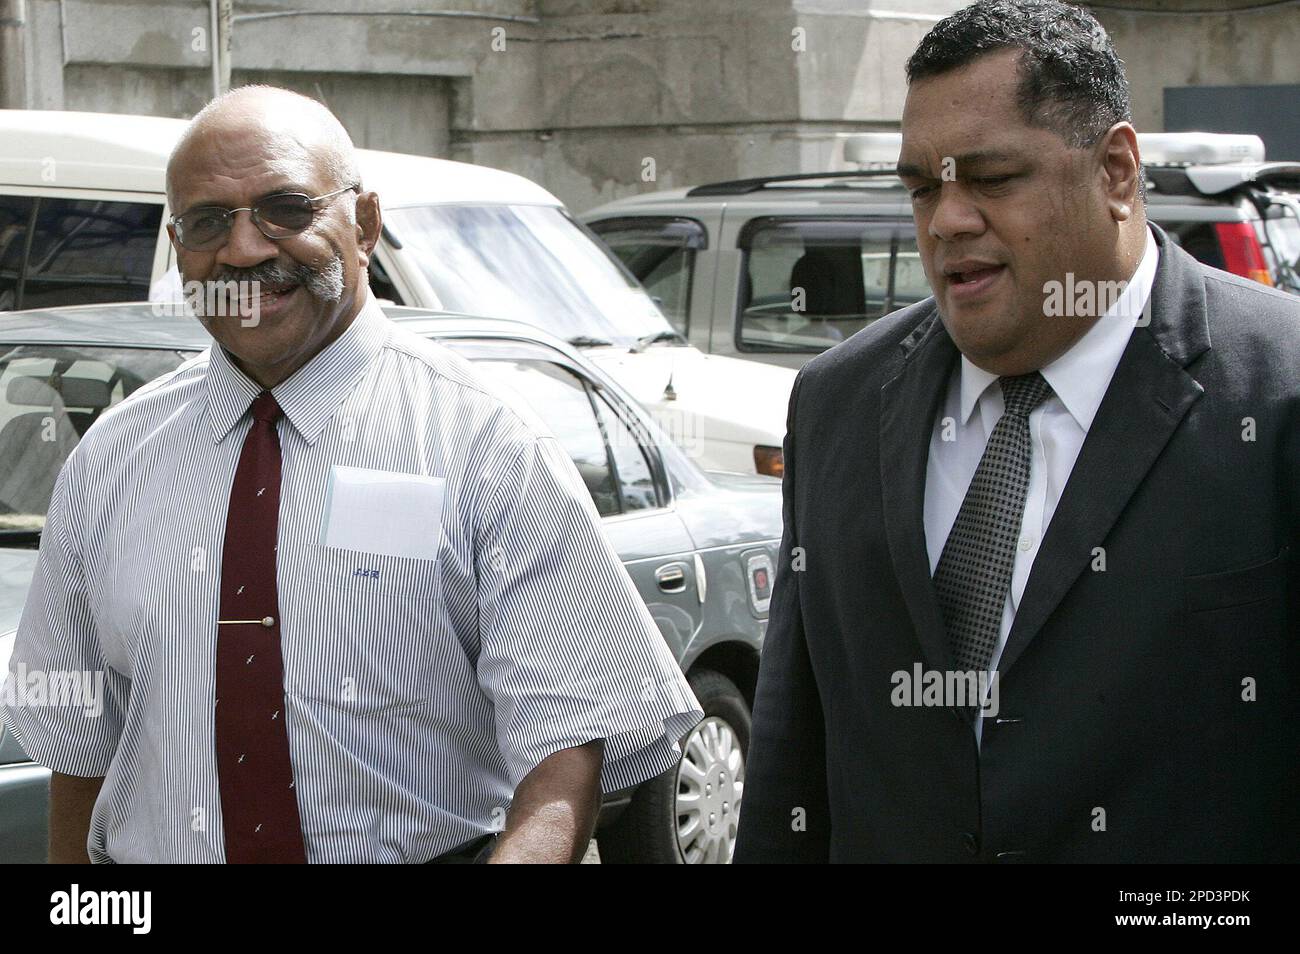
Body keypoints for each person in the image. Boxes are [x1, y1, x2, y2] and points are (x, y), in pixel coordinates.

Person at [2, 85, 701, 864]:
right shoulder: (109, 462)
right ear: (177, 246)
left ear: (364, 224)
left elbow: (568, 744)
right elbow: (78, 745)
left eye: (286, 209)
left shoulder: (485, 442)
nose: (243, 250)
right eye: (208, 222)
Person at [735, 0, 1298, 863]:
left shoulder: (1278, 389)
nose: (947, 220)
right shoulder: (838, 400)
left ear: (1115, 172)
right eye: (923, 187)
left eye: (992, 180)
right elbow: (791, 752)